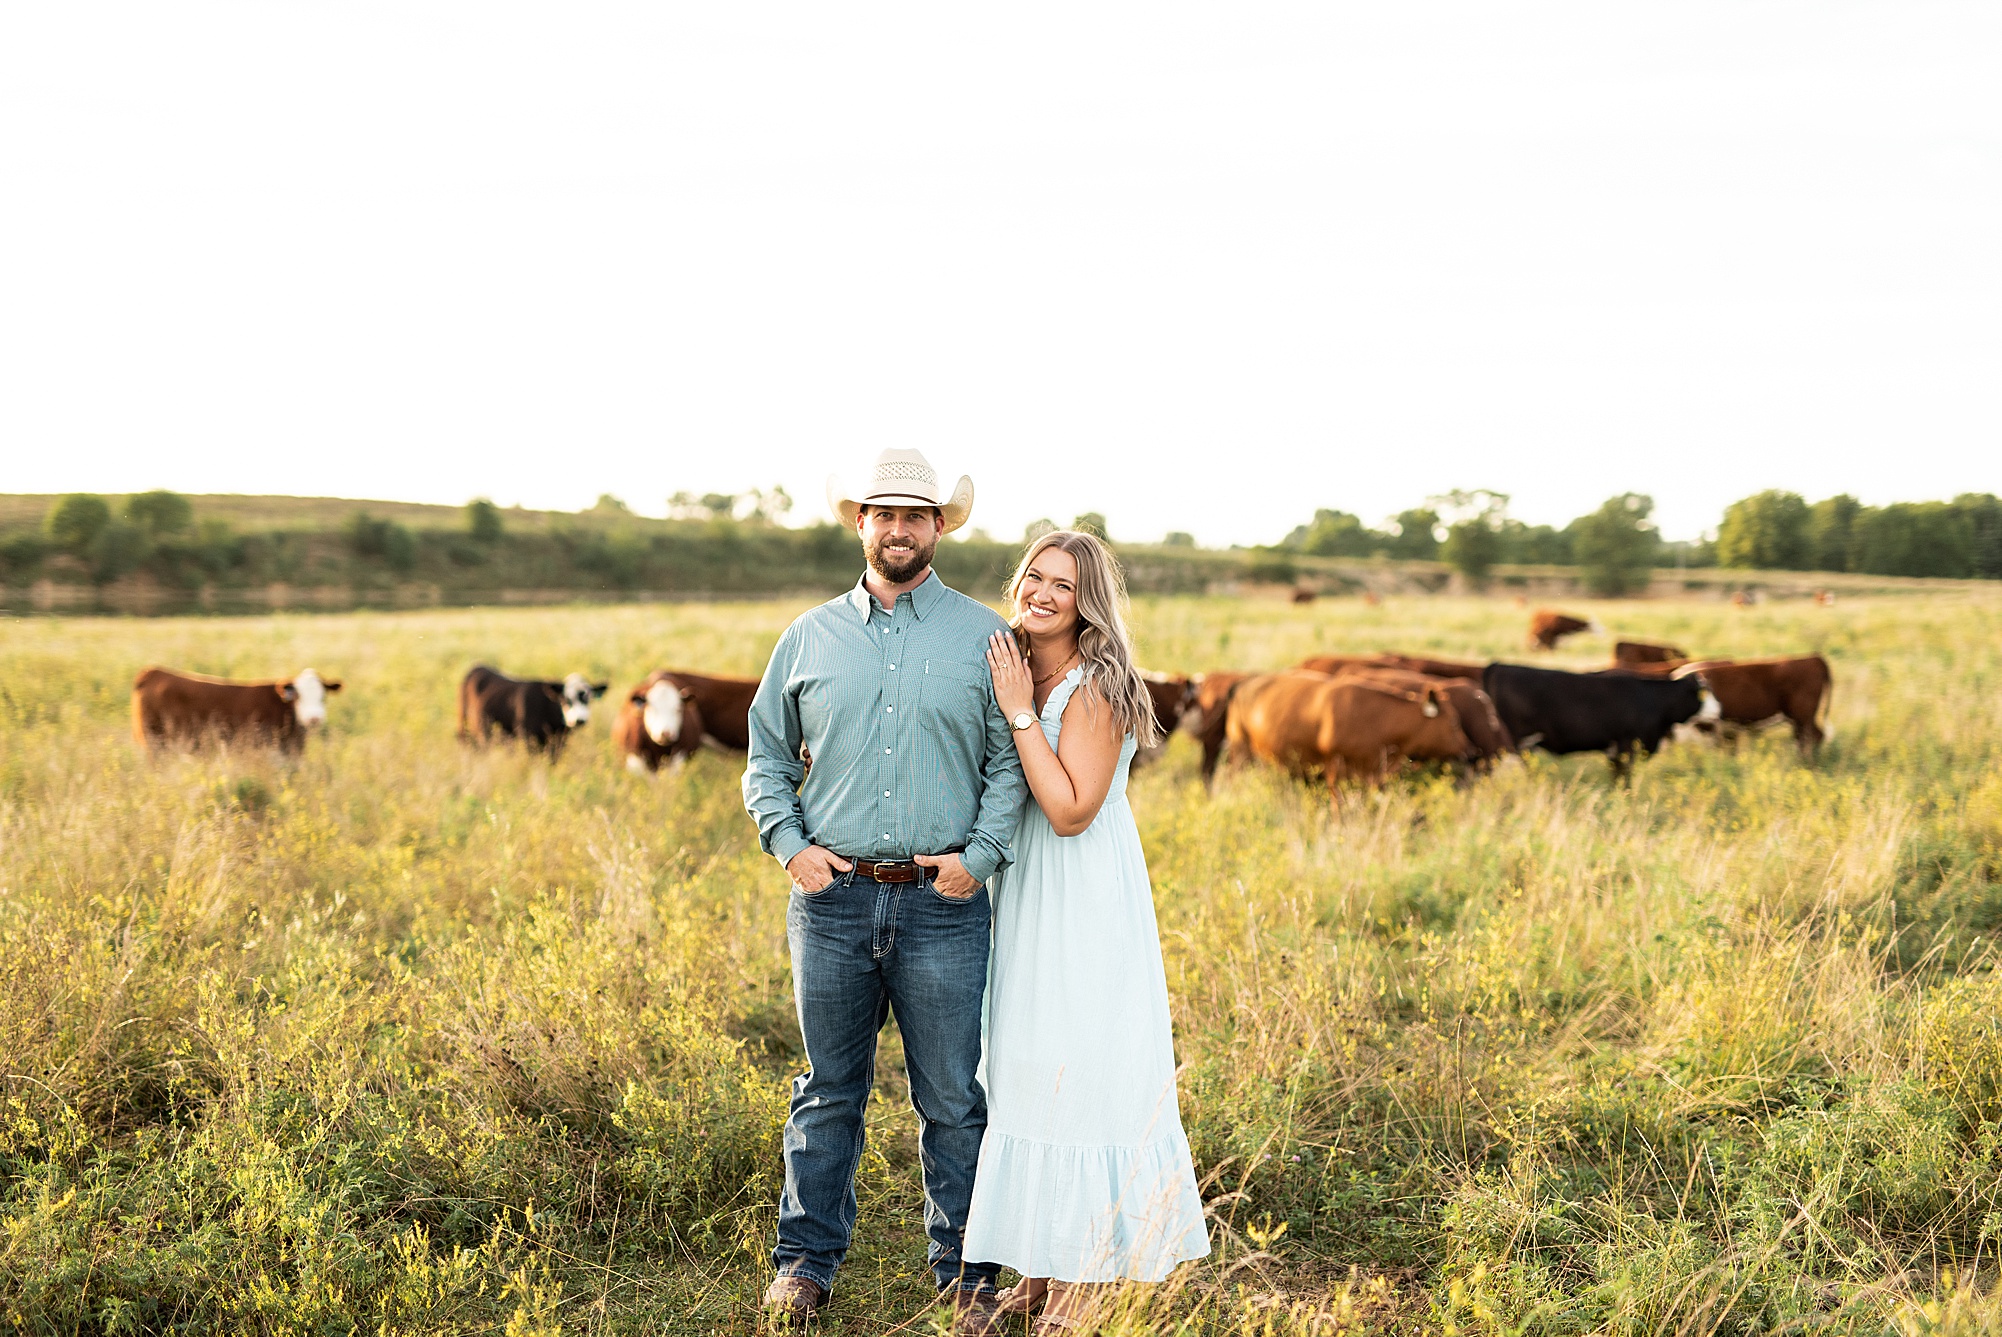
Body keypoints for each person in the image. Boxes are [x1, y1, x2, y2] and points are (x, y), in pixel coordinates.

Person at [743, 448, 1028, 1334]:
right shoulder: (808, 636)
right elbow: (764, 758)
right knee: (828, 1088)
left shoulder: (987, 638)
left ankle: (968, 1276)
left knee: (952, 1097)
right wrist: (791, 847)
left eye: (915, 515)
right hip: (832, 901)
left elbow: (1008, 764)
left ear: (939, 526)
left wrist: (981, 856)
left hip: (944, 904)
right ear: (861, 523)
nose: (899, 529)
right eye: (884, 514)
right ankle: (804, 1264)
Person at [962, 530, 1211, 1331]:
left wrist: (1018, 711)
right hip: (1026, 889)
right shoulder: (1012, 661)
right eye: (1033, 575)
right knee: (1029, 1066)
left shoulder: (1097, 684)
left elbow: (1071, 810)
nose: (1041, 592)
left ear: (1087, 603)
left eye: (1062, 585)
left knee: (1080, 1070)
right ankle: (1039, 1270)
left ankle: (1083, 1281)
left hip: (1082, 894)